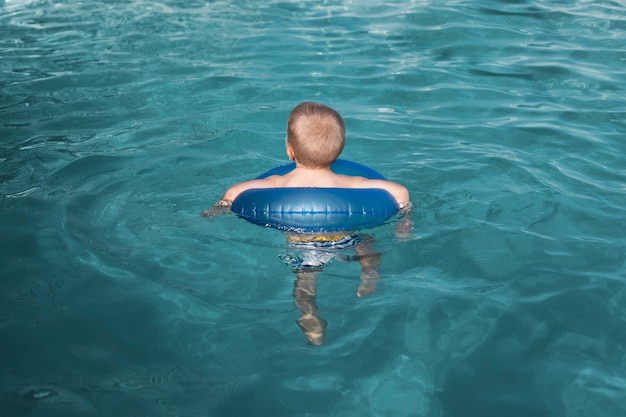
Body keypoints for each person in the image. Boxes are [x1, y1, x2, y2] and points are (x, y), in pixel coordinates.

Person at [202, 101, 411, 345]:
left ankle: (308, 314)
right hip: (344, 234)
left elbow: (237, 192)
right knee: (365, 241)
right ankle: (370, 270)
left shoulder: (276, 183)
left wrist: (218, 207)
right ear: (339, 151)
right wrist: (405, 218)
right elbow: (398, 192)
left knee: (304, 276)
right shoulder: (351, 182)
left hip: (303, 243)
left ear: (289, 150)